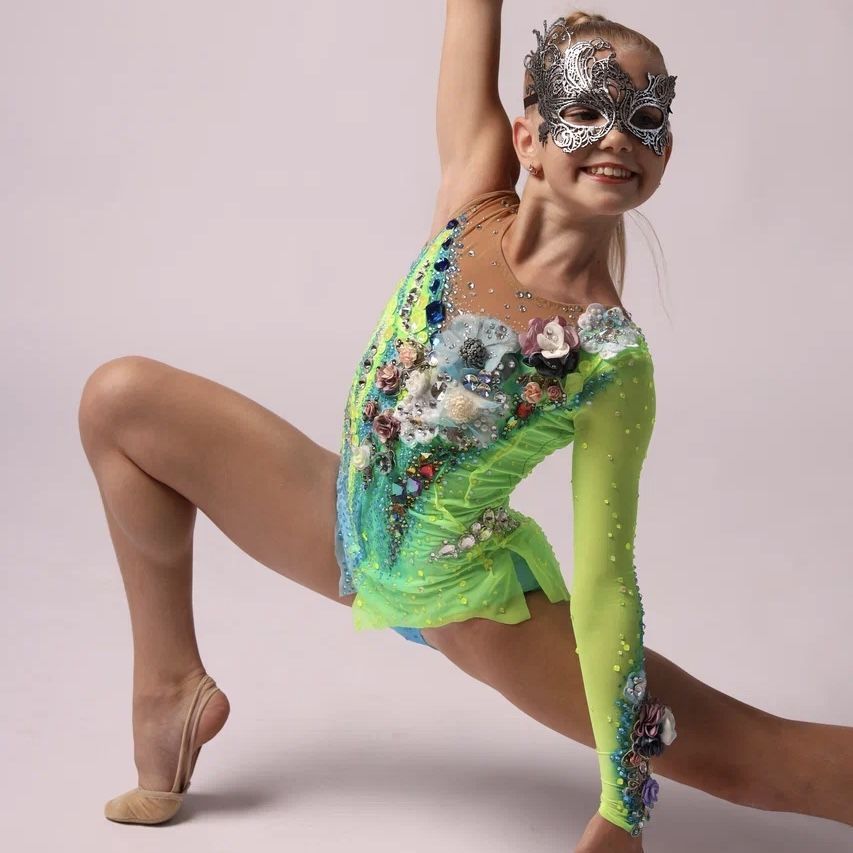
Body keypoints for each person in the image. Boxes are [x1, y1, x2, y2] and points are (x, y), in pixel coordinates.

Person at [77, 5, 853, 852]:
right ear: (527, 138)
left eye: (645, 118)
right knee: (120, 402)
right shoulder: (472, 196)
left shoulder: (606, 355)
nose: (617, 137)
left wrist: (622, 804)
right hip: (343, 531)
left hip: (476, 605)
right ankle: (169, 688)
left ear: (664, 149)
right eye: (585, 110)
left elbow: (606, 580)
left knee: (755, 758)